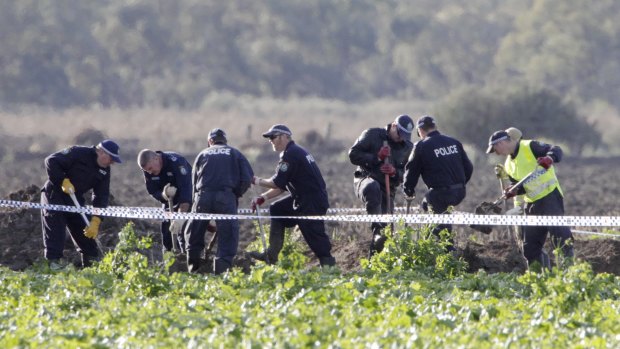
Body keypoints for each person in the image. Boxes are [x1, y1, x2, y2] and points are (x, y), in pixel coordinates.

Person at [249, 124, 336, 267]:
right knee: (277, 209)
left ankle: (329, 267)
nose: (270, 140)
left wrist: (256, 180)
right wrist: (263, 197)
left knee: (314, 236)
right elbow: (282, 186)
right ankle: (271, 253)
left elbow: (276, 182)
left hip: (311, 201)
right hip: (302, 197)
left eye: (273, 137)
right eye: (269, 138)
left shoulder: (291, 154)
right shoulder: (294, 151)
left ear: (285, 137)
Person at [486, 129, 574, 268]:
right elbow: (520, 185)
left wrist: (549, 158)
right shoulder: (508, 164)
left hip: (549, 197)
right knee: (530, 248)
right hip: (531, 204)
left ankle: (569, 275)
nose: (496, 153)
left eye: (495, 148)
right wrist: (513, 191)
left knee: (561, 238)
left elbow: (556, 149)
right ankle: (539, 281)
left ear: (502, 142)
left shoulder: (530, 146)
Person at [40, 139, 122, 270]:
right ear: (101, 152)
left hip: (75, 198)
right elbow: (51, 161)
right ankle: (53, 267)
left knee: (85, 233)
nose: (112, 163)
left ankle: (91, 268)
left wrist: (96, 220)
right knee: (56, 232)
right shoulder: (78, 152)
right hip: (55, 195)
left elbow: (101, 196)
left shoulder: (105, 171)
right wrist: (62, 181)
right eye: (111, 159)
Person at [185, 128, 253, 274]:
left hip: (202, 196)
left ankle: (193, 269)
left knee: (194, 231)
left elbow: (193, 182)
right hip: (225, 196)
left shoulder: (202, 154)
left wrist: (195, 201)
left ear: (210, 141)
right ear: (225, 141)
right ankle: (221, 273)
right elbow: (247, 179)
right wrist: (236, 194)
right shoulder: (235, 153)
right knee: (228, 234)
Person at [403, 115, 473, 251]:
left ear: (420, 131)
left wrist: (408, 189)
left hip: (440, 194)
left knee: (437, 219)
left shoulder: (421, 146)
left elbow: (411, 170)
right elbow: (469, 167)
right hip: (460, 191)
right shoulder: (454, 142)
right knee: (431, 208)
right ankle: (433, 242)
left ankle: (447, 251)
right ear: (435, 127)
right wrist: (460, 184)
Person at [349, 115, 414, 256]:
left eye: (405, 136)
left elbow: (407, 173)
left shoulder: (408, 148)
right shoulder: (372, 134)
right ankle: (376, 226)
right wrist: (376, 158)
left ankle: (374, 265)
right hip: (366, 179)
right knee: (372, 188)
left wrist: (394, 172)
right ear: (394, 126)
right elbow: (353, 154)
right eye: (399, 134)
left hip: (387, 188)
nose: (401, 139)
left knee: (385, 234)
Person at [137, 149, 194, 253]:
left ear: (156, 158)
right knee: (167, 232)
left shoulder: (176, 162)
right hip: (168, 200)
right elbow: (153, 191)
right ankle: (169, 261)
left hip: (187, 198)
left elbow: (186, 193)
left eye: (150, 169)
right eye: (146, 171)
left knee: (184, 233)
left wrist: (180, 218)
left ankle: (187, 259)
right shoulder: (148, 169)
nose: (150, 172)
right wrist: (163, 195)